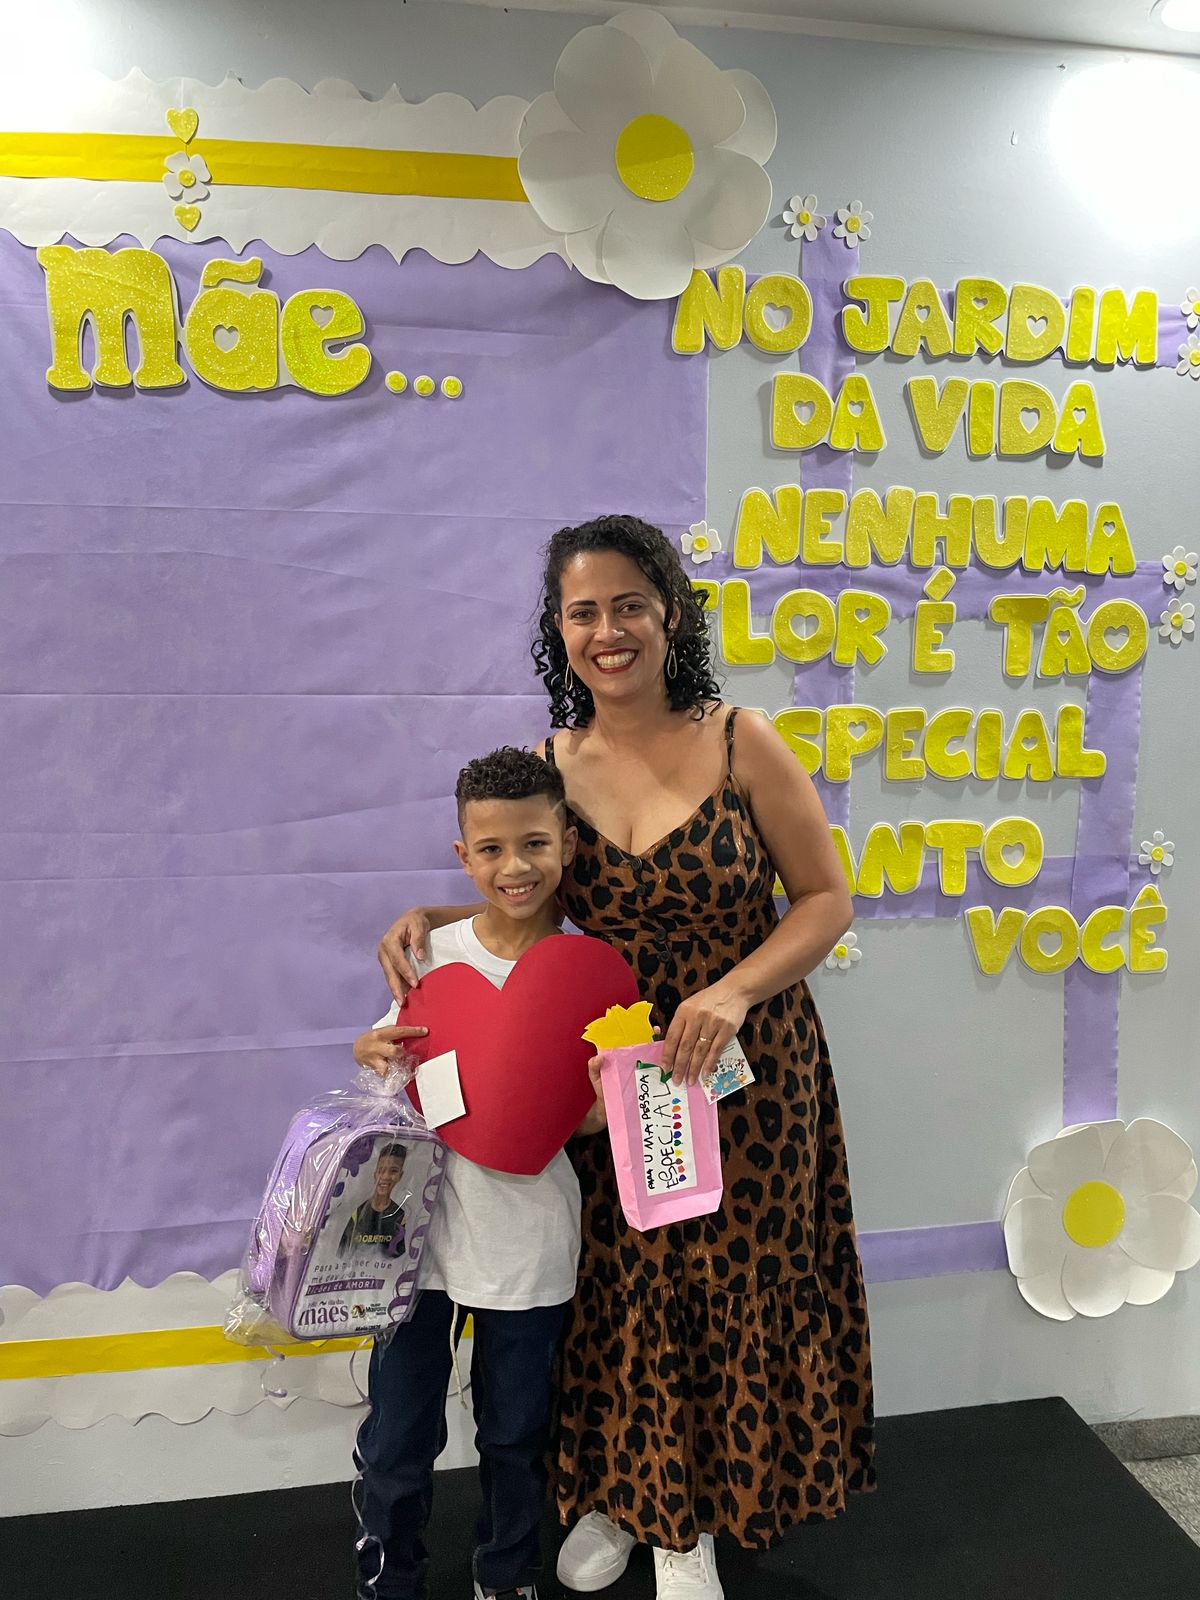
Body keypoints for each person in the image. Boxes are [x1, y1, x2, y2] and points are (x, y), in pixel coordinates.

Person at [377, 515, 876, 1600]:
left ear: (672, 614)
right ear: (559, 631)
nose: (608, 631)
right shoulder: (552, 762)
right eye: (583, 612)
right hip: (606, 1082)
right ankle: (632, 1497)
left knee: (728, 1285)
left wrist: (733, 990)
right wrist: (438, 916)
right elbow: (532, 892)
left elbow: (825, 899)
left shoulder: (743, 740)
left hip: (744, 1073)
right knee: (623, 1289)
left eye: (629, 605)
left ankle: (698, 1522)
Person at [351, 745, 602, 1600]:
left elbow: (592, 1115)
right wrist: (370, 1052)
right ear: (464, 855)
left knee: (516, 1433)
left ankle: (507, 1576)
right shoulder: (429, 955)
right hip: (417, 1247)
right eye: (491, 849)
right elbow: (394, 1073)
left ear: (567, 842)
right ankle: (390, 1579)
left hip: (528, 1241)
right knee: (398, 1433)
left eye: (534, 843)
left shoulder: (589, 971)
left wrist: (597, 1107)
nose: (514, 867)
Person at [339, 1144, 408, 1258]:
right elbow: (342, 1254)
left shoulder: (400, 1216)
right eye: (381, 1170)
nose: (385, 1176)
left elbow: (400, 1259)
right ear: (375, 1174)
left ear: (400, 1176)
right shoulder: (358, 1213)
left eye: (393, 1171)